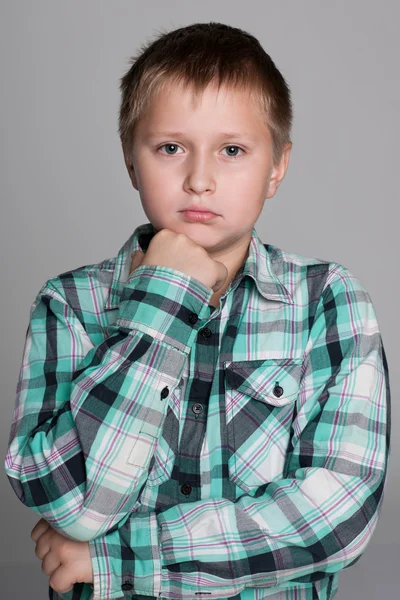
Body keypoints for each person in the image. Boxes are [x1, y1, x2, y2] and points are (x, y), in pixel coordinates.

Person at [4, 21, 391, 600]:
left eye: (232, 150)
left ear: (277, 166)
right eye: (170, 148)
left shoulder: (328, 302)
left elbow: (338, 514)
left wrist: (121, 558)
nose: (199, 180)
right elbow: (76, 506)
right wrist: (163, 302)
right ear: (131, 161)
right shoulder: (70, 305)